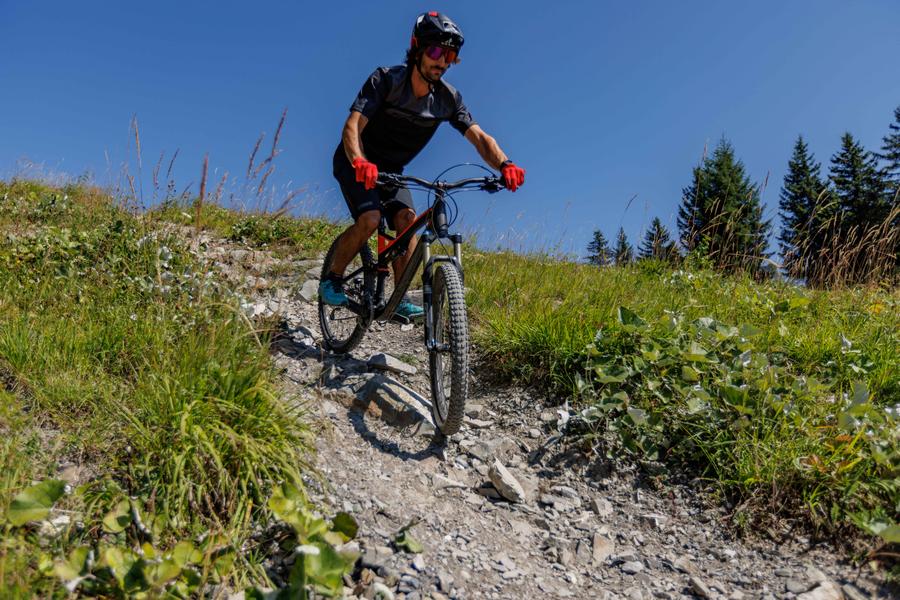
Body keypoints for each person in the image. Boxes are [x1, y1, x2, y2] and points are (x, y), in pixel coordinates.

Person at [320, 11, 526, 319]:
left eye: (450, 55)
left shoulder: (448, 99)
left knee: (407, 219)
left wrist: (504, 164)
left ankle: (399, 297)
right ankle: (332, 278)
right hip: (356, 160)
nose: (442, 61)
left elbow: (480, 137)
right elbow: (353, 126)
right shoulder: (386, 81)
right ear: (417, 49)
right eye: (435, 51)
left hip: (392, 171)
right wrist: (360, 161)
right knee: (371, 219)